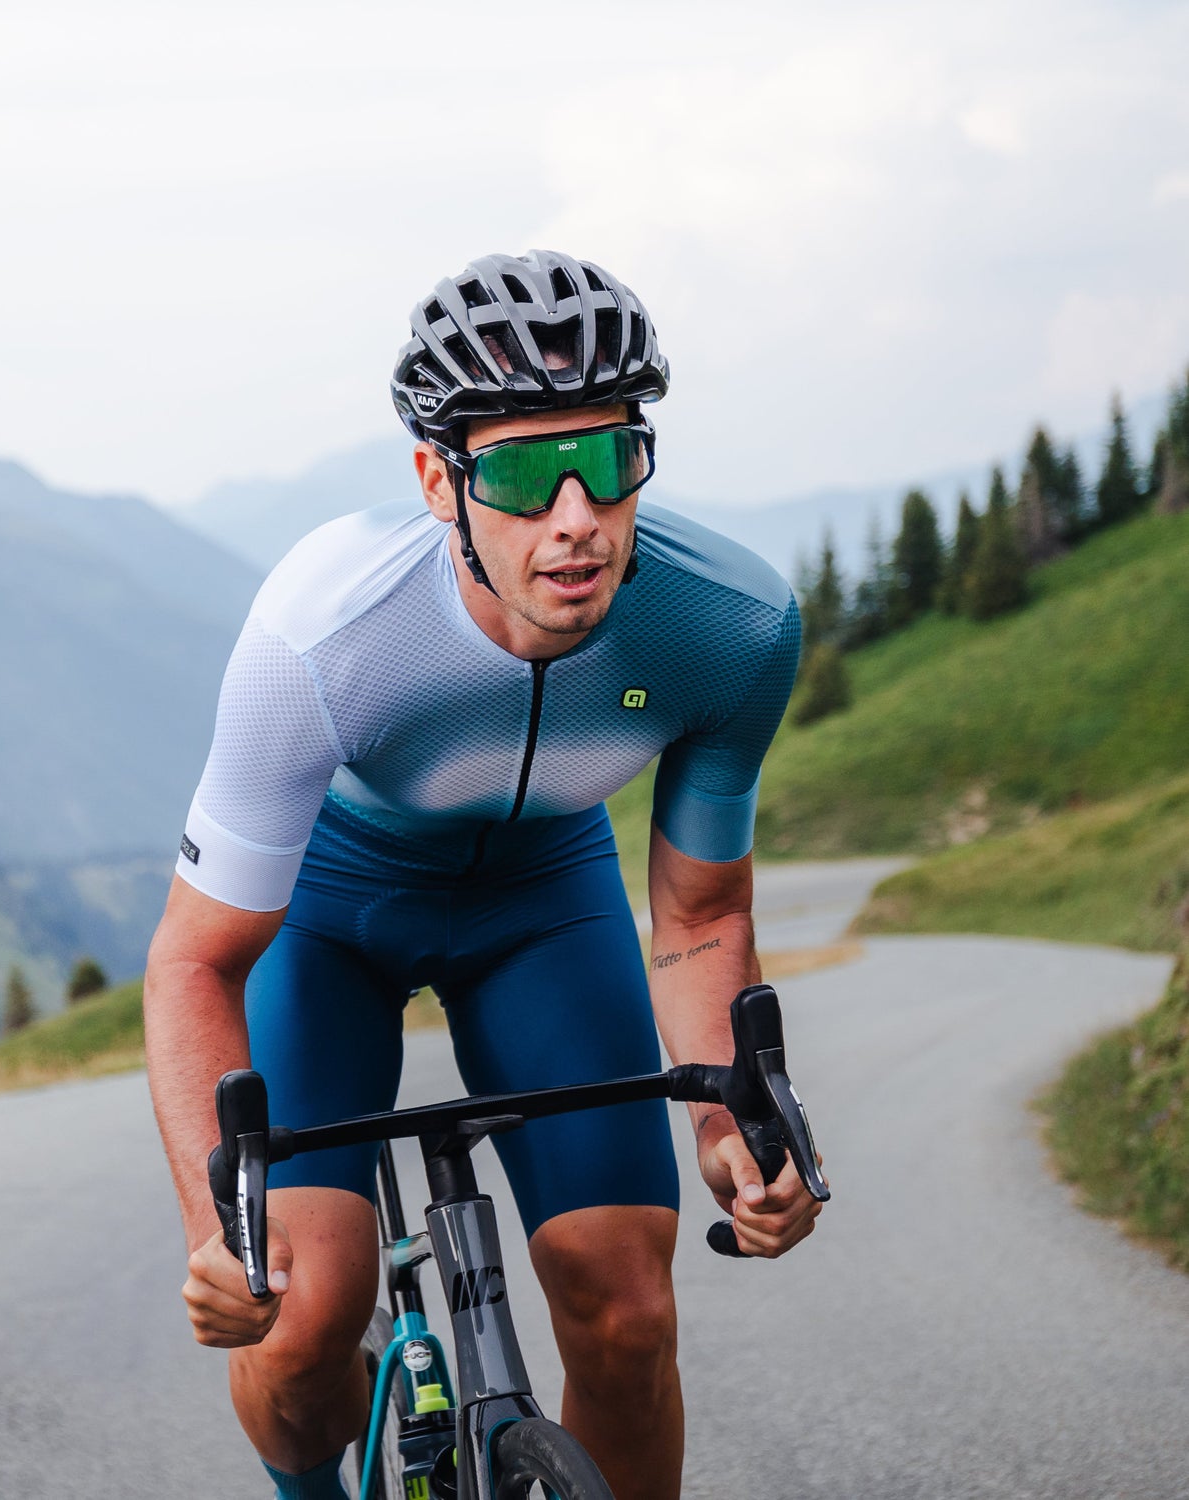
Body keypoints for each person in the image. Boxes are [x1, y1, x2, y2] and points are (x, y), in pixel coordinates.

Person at [143, 249, 824, 1500]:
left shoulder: (731, 626)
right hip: (329, 912)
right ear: (438, 483)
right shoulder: (322, 631)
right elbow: (194, 959)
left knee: (629, 1314)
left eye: (608, 458)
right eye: (517, 472)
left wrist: (731, 1126)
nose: (575, 516)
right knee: (299, 1321)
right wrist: (218, 1231)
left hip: (543, 903)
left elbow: (699, 912)